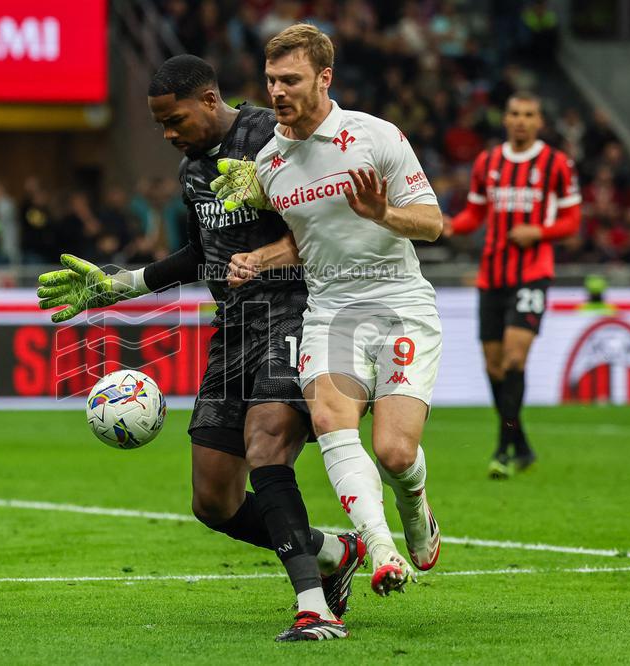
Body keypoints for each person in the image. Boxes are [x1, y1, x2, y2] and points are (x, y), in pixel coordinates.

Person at [36, 55, 362, 643]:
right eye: (159, 123)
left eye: (173, 118)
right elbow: (198, 253)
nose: (167, 134)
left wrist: (267, 207)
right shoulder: (192, 169)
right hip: (234, 325)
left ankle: (315, 609)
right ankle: (337, 549)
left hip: (295, 309)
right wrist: (122, 284)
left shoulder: (272, 135)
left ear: (209, 99)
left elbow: (327, 218)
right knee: (213, 499)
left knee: (267, 445)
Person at [214, 23, 443, 604]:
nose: (278, 92)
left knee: (395, 453)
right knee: (331, 421)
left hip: (399, 304)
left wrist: (382, 212)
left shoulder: (375, 136)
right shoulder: (269, 162)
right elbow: (307, 238)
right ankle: (381, 550)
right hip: (331, 311)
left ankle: (415, 506)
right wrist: (257, 258)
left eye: (290, 80)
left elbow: (432, 223)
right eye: (270, 81)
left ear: (324, 77)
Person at [444, 92, 581, 478]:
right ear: (505, 119)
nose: (521, 120)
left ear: (540, 122)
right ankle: (519, 443)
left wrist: (538, 230)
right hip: (492, 275)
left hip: (532, 273)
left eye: (529, 115)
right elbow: (475, 213)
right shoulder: (488, 162)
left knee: (514, 358)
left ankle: (503, 448)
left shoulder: (556, 163)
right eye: (515, 113)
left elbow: (572, 220)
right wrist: (448, 224)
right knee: (494, 365)